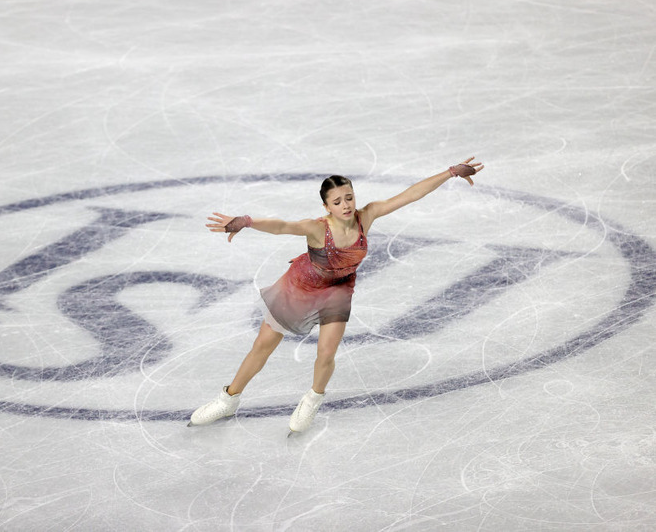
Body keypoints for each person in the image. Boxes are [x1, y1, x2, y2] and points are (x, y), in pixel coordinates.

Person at [189, 158, 484, 433]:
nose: (345, 205)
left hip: (339, 290)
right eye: (337, 201)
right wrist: (247, 221)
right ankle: (228, 400)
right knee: (263, 345)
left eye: (349, 198)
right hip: (301, 286)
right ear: (326, 206)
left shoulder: (366, 217)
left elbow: (409, 195)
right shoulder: (317, 228)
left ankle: (312, 400)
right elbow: (282, 226)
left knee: (326, 352)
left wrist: (449, 173)